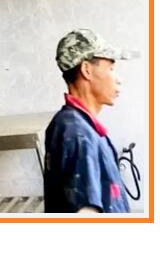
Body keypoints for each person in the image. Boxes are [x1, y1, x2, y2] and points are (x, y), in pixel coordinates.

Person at [44, 28, 131, 214]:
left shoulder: (80, 125)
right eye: (111, 68)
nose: (119, 79)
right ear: (87, 70)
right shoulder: (77, 132)